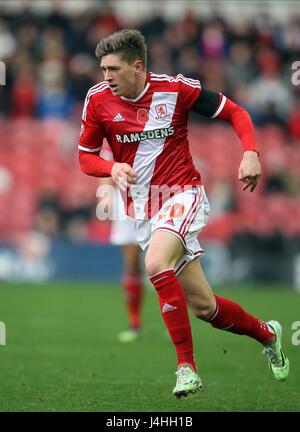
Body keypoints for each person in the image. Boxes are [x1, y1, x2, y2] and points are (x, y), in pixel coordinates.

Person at [78, 29, 289, 398]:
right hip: (142, 210)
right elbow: (85, 156)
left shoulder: (176, 90)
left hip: (183, 193)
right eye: (102, 68)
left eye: (112, 68)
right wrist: (110, 169)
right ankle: (268, 333)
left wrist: (251, 151)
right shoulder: (97, 100)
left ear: (137, 65)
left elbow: (234, 111)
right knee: (205, 308)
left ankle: (186, 368)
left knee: (155, 263)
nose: (105, 76)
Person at [98, 141, 144, 343]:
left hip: (160, 194)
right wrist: (106, 195)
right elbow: (107, 166)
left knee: (162, 264)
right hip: (126, 200)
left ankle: (175, 321)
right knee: (132, 263)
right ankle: (134, 322)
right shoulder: (113, 127)